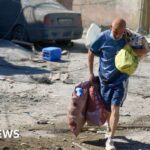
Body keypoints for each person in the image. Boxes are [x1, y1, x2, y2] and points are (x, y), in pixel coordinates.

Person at [88, 17, 147, 150]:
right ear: (110, 27)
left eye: (120, 33)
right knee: (107, 109)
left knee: (115, 107)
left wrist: (130, 51)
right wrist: (91, 73)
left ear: (124, 30)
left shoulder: (129, 38)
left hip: (120, 80)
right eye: (115, 32)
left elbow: (145, 50)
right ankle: (108, 129)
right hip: (105, 80)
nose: (117, 35)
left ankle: (110, 139)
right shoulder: (102, 37)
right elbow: (91, 52)